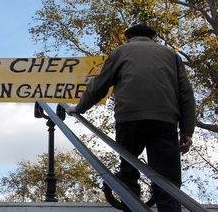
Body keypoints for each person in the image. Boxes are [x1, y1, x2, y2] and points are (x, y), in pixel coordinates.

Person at [67, 24, 195, 212]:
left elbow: (100, 84)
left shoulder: (121, 52)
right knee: (167, 180)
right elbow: (186, 94)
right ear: (152, 37)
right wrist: (187, 131)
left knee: (128, 168)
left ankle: (131, 202)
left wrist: (80, 107)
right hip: (164, 120)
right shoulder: (170, 55)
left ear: (128, 38)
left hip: (129, 119)